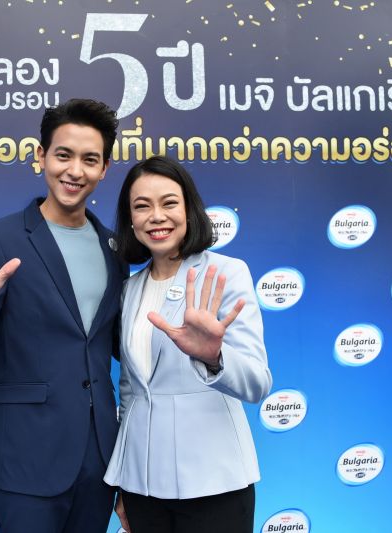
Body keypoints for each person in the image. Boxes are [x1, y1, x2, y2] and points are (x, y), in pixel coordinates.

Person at [0, 99, 128, 533]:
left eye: (90, 159)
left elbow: (116, 348)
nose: (75, 171)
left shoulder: (115, 249)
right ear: (41, 156)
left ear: (105, 168)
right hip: (26, 460)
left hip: (99, 462)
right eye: (63, 155)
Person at [104, 156, 272, 533]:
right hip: (143, 485)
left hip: (214, 479)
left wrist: (214, 357)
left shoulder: (226, 273)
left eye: (169, 203)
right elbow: (130, 392)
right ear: (130, 219)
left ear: (189, 210)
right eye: (142, 206)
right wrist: (123, 481)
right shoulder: (129, 290)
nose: (156, 216)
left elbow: (258, 383)